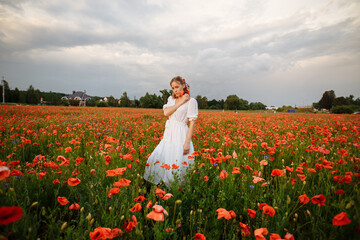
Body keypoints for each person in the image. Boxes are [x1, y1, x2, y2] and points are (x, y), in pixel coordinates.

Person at [143, 76, 198, 187]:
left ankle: (173, 189)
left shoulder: (192, 101)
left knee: (177, 161)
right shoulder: (171, 99)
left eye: (177, 87)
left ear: (184, 85)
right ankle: (154, 185)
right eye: (173, 88)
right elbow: (166, 113)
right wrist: (181, 101)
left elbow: (192, 123)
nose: (175, 90)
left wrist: (187, 142)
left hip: (181, 134)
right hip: (168, 134)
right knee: (156, 157)